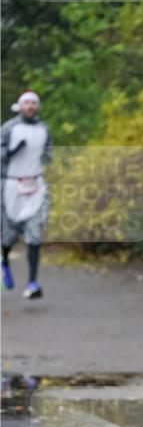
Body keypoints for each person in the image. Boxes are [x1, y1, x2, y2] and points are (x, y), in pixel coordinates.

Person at [1, 91, 53, 298]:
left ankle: (32, 283)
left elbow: (49, 154)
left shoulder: (44, 129)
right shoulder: (9, 128)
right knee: (8, 235)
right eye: (27, 103)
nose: (30, 106)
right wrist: (12, 152)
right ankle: (4, 262)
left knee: (35, 234)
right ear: (20, 106)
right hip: (11, 185)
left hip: (35, 185)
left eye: (34, 103)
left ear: (37, 106)